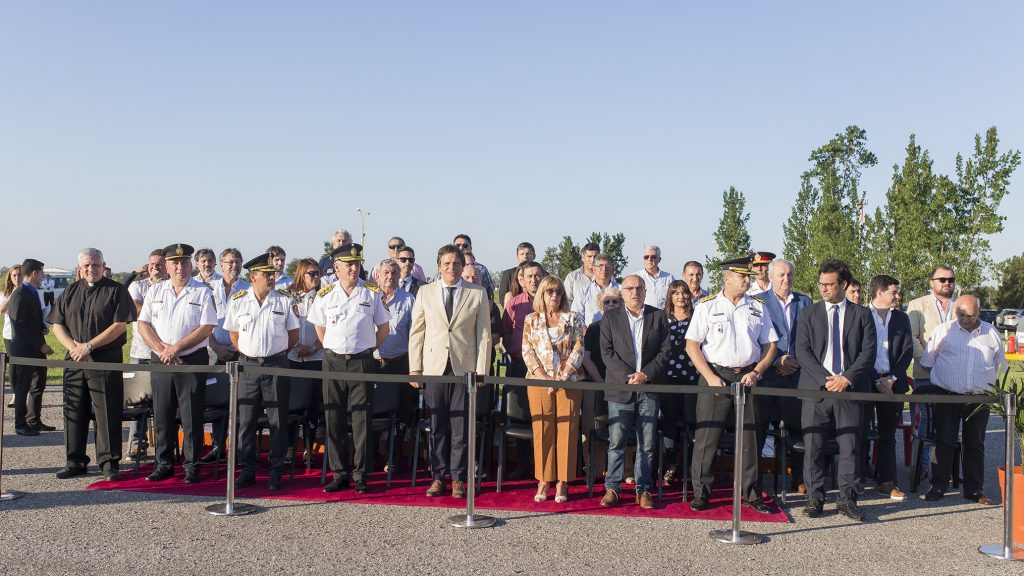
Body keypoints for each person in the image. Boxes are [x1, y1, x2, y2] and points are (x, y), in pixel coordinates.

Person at [686, 257, 777, 513]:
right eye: (742, 277)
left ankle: (750, 492)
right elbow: (692, 345)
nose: (748, 280)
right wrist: (710, 376)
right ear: (727, 279)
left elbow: (770, 345)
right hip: (715, 374)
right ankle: (701, 492)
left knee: (751, 437)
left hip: (748, 375)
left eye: (748, 276)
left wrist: (758, 371)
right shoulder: (707, 306)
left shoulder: (757, 306)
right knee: (707, 436)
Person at [794, 258, 876, 522]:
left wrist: (847, 378)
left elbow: (868, 352)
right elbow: (802, 351)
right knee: (813, 446)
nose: (823, 289)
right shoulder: (808, 313)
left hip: (849, 391)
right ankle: (815, 497)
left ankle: (847, 499)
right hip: (817, 390)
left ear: (844, 285)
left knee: (849, 447)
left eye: (829, 284)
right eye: (821, 284)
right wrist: (827, 378)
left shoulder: (862, 314)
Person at [408, 244, 492, 499]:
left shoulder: (477, 294)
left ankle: (458, 478)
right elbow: (417, 331)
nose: (451, 268)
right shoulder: (425, 292)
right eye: (446, 264)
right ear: (439, 266)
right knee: (437, 426)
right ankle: (437, 476)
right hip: (434, 368)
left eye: (456, 263)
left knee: (461, 427)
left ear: (462, 266)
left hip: (464, 369)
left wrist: (480, 371)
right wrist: (415, 368)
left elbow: (484, 336)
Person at [308, 243, 390, 494]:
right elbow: (319, 328)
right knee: (334, 418)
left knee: (361, 419)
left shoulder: (372, 293)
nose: (353, 268)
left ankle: (361, 474)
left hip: (362, 361)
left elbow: (384, 328)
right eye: (348, 264)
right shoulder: (325, 294)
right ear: (337, 267)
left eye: (356, 264)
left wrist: (366, 349)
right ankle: (339, 473)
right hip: (333, 360)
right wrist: (332, 347)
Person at [49, 248, 134, 481]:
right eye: (86, 265)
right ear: (80, 267)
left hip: (104, 360)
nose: (91, 269)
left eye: (95, 265)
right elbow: (58, 325)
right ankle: (74, 461)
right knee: (73, 411)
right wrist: (75, 349)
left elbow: (119, 325)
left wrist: (89, 346)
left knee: (106, 411)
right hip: (75, 360)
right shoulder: (69, 291)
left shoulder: (116, 291)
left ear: (103, 265)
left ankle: (108, 463)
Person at [137, 244, 217, 484]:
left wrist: (176, 348)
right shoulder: (155, 291)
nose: (180, 267)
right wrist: (162, 349)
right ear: (167, 267)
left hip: (191, 359)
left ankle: (192, 465)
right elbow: (143, 324)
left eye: (184, 263)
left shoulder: (201, 291)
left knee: (191, 415)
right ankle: (164, 464)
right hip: (161, 358)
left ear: (191, 265)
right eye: (175, 263)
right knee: (162, 413)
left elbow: (206, 327)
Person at [225, 253, 300, 491]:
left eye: (272, 273)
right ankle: (247, 469)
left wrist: (273, 354)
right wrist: (251, 354)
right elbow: (234, 334)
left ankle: (276, 469)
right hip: (248, 366)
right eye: (266, 274)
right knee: (246, 421)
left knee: (277, 420)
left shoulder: (284, 300)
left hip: (277, 365)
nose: (271, 277)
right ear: (252, 276)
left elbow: (294, 335)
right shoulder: (238, 300)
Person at [920, 295, 1004, 506]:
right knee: (944, 441)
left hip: (979, 398)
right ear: (955, 311)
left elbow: (1000, 366)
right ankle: (938, 485)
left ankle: (974, 490)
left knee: (975, 445)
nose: (965, 319)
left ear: (980, 311)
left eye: (971, 315)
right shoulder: (943, 330)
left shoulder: (991, 332)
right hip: (947, 395)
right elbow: (928, 361)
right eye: (961, 314)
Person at [598, 275, 672, 509]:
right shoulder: (610, 317)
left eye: (639, 288)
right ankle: (613, 488)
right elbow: (607, 353)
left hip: (648, 389)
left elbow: (665, 351)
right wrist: (628, 377)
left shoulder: (658, 316)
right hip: (620, 390)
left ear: (645, 291)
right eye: (629, 288)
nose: (634, 292)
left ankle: (644, 489)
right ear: (622, 292)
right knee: (617, 441)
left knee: (647, 444)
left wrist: (645, 374)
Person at [521, 276, 585, 504]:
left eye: (558, 292)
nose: (554, 296)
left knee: (567, 430)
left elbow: (579, 348)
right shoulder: (531, 319)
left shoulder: (574, 318)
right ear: (542, 295)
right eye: (549, 292)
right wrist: (545, 378)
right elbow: (527, 351)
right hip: (539, 382)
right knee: (543, 429)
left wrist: (562, 377)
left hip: (568, 382)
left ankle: (563, 482)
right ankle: (544, 479)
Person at [754, 259, 811, 474]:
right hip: (768, 374)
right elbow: (755, 339)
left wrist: (793, 360)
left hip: (796, 374)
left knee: (797, 427)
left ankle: (797, 475)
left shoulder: (804, 302)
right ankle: (758, 478)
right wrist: (777, 359)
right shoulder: (757, 302)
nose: (786, 279)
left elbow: (809, 338)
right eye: (781, 275)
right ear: (770, 277)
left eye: (789, 274)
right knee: (761, 428)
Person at [864, 274, 913, 500]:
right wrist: (875, 378)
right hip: (865, 381)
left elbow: (907, 352)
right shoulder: (861, 315)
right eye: (894, 292)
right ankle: (856, 479)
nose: (897, 296)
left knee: (888, 435)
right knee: (859, 431)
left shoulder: (902, 319)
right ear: (880, 292)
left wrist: (891, 378)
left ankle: (886, 481)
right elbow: (855, 351)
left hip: (892, 384)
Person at [906, 265, 957, 477]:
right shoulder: (917, 305)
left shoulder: (960, 306)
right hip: (926, 373)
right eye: (942, 279)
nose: (947, 283)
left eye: (951, 279)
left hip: (954, 377)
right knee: (926, 421)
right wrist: (928, 360)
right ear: (932, 282)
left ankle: (946, 467)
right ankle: (923, 466)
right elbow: (912, 337)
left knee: (951, 422)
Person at [125, 248, 167, 461]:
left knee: (163, 400)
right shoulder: (138, 286)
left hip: (165, 351)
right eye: (152, 264)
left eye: (160, 264)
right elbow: (137, 308)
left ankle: (163, 444)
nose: (155, 267)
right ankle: (136, 443)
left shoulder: (171, 287)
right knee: (138, 400)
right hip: (141, 350)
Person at [8, 259, 54, 436]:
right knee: (23, 387)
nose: (43, 277)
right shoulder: (19, 294)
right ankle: (20, 424)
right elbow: (19, 326)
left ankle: (33, 420)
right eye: (42, 273)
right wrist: (40, 345)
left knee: (38, 385)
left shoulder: (33, 291)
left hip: (35, 347)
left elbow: (30, 320)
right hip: (25, 349)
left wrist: (42, 327)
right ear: (34, 273)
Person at [580, 286, 621, 476]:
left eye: (615, 301)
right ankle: (594, 468)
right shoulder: (594, 329)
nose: (611, 304)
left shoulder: (627, 328)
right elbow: (586, 359)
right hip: (595, 384)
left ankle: (624, 469)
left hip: (621, 386)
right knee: (592, 428)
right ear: (600, 305)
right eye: (607, 302)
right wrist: (601, 382)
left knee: (621, 428)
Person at [375, 258, 418, 441]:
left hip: (400, 363)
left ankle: (395, 456)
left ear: (399, 276)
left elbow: (415, 333)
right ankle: (373, 455)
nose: (389, 277)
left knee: (402, 413)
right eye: (386, 272)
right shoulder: (369, 297)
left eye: (394, 273)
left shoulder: (408, 300)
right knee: (373, 412)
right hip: (374, 365)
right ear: (377, 276)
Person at [660, 280, 698, 485]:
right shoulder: (663, 319)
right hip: (668, 380)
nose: (681, 296)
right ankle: (672, 465)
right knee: (669, 424)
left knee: (693, 424)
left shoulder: (697, 318)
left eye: (684, 292)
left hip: (693, 379)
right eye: (676, 293)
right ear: (670, 296)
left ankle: (692, 468)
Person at [286, 258, 326, 448]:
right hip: (292, 356)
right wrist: (294, 347)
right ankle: (290, 447)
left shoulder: (325, 297)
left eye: (318, 273)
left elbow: (328, 330)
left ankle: (308, 449)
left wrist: (313, 347)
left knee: (313, 405)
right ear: (302, 274)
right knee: (291, 406)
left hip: (316, 357)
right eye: (312, 273)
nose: (316, 277)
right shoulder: (287, 296)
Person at [571, 254, 619, 326]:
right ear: (594, 269)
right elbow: (576, 316)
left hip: (617, 333)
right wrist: (585, 332)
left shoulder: (622, 290)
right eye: (600, 266)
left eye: (607, 266)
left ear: (612, 270)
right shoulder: (583, 292)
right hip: (591, 334)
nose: (604, 268)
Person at [2, 265, 22, 408]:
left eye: (20, 275)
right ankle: (15, 395)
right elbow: (2, 310)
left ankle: (24, 393)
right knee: (14, 365)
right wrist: (13, 294)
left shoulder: (30, 290)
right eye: (14, 275)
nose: (17, 278)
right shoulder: (5, 293)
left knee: (26, 366)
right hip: (10, 333)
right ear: (10, 277)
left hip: (26, 334)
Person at [498, 242, 541, 307]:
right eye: (522, 254)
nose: (525, 256)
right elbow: (502, 296)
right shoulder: (508, 274)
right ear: (517, 256)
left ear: (534, 256)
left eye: (528, 254)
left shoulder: (544, 274)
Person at [564, 242, 601, 306]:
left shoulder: (605, 276)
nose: (592, 260)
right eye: (589, 256)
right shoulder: (572, 277)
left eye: (595, 256)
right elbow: (567, 301)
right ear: (582, 257)